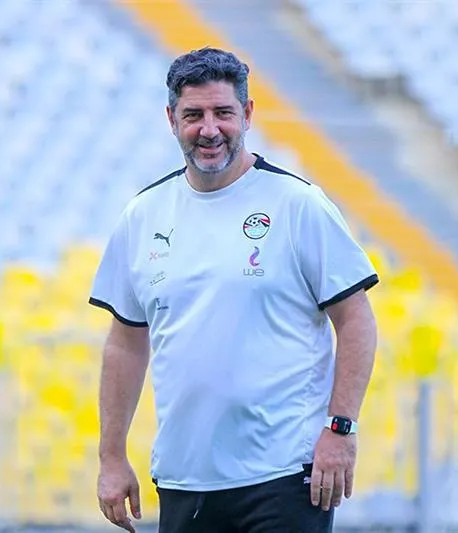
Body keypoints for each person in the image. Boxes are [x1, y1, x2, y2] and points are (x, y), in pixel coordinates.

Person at [88, 47, 378, 533]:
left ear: (247, 113)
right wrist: (111, 457)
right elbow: (125, 343)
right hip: (184, 479)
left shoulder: (297, 205)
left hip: (285, 477)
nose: (209, 129)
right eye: (193, 115)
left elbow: (356, 319)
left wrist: (341, 428)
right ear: (171, 119)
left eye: (223, 112)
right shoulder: (143, 216)